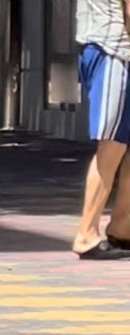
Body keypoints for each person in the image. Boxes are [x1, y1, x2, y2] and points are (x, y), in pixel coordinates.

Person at [73, 0, 130, 259]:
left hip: (104, 48)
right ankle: (86, 234)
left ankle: (122, 227)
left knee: (121, 143)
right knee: (112, 145)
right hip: (114, 52)